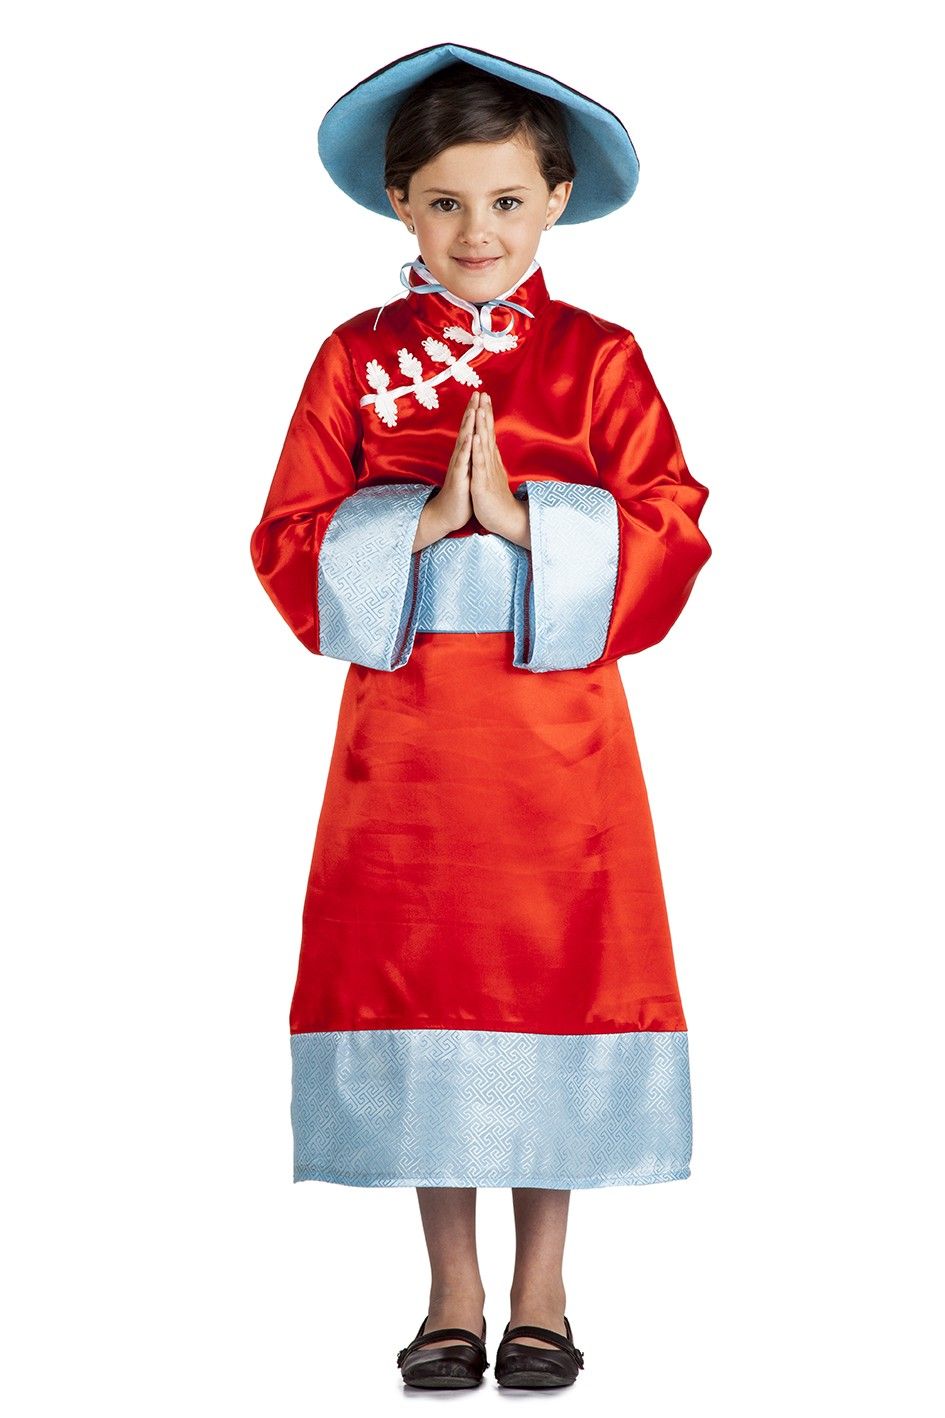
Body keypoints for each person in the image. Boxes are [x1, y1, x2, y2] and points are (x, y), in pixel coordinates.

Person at [249, 42, 712, 1391]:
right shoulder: (353, 358)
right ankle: (451, 1289)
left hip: (557, 737)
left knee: (552, 976)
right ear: (398, 202)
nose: (477, 233)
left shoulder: (600, 357)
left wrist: (525, 519)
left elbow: (673, 523)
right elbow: (285, 535)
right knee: (425, 977)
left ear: (556, 199)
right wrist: (419, 518)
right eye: (445, 202)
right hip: (404, 746)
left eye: (507, 201)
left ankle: (543, 1289)